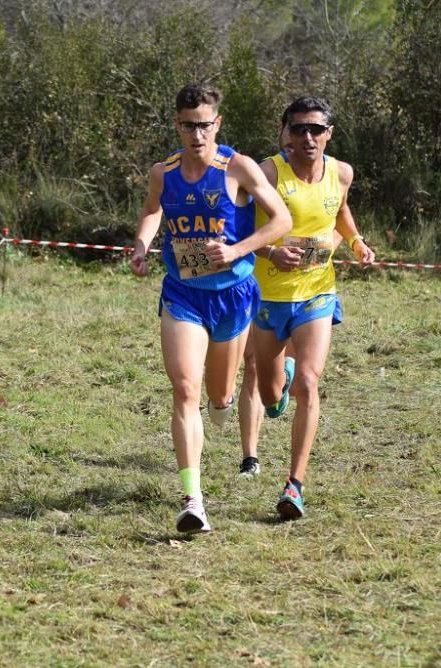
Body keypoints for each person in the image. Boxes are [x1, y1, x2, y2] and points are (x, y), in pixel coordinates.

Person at [130, 83, 292, 534]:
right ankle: (193, 500)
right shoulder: (164, 172)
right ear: (177, 125)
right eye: (188, 125)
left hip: (232, 295)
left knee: (220, 397)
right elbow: (151, 211)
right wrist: (142, 246)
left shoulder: (236, 167)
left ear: (216, 124)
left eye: (204, 125)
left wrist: (239, 250)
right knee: (185, 388)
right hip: (183, 292)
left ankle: (227, 403)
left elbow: (282, 219)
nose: (196, 134)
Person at [246, 96, 374, 519]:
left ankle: (294, 486)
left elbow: (340, 211)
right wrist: (270, 255)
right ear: (284, 132)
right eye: (298, 128)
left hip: (318, 294)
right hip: (269, 299)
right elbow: (244, 235)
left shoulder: (341, 172)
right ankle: (277, 377)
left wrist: (355, 241)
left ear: (329, 134)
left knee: (309, 382)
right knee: (270, 394)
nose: (307, 137)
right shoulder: (267, 173)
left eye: (316, 129)